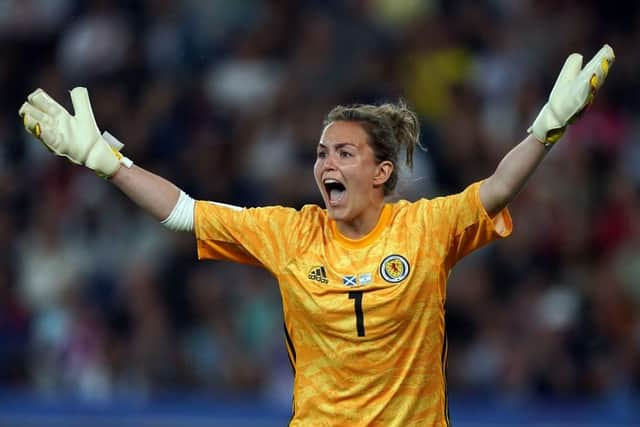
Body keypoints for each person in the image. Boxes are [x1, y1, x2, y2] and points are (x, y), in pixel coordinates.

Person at [18, 44, 614, 426]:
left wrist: (546, 128)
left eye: (345, 153)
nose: (326, 164)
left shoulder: (426, 227)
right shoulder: (290, 233)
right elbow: (185, 212)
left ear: (382, 174)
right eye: (321, 153)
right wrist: (106, 162)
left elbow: (498, 189)